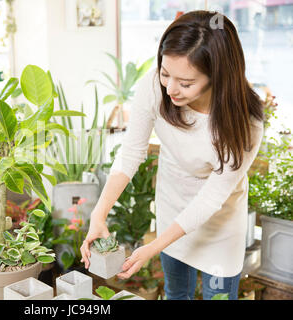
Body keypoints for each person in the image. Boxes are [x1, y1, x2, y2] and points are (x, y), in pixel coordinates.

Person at [80, 10, 265, 300]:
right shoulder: (156, 85)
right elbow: (131, 152)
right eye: (166, 73)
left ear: (218, 75)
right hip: (172, 204)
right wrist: (99, 213)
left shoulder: (246, 121)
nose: (170, 88)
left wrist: (153, 247)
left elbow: (211, 198)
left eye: (186, 83)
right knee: (177, 293)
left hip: (220, 221)